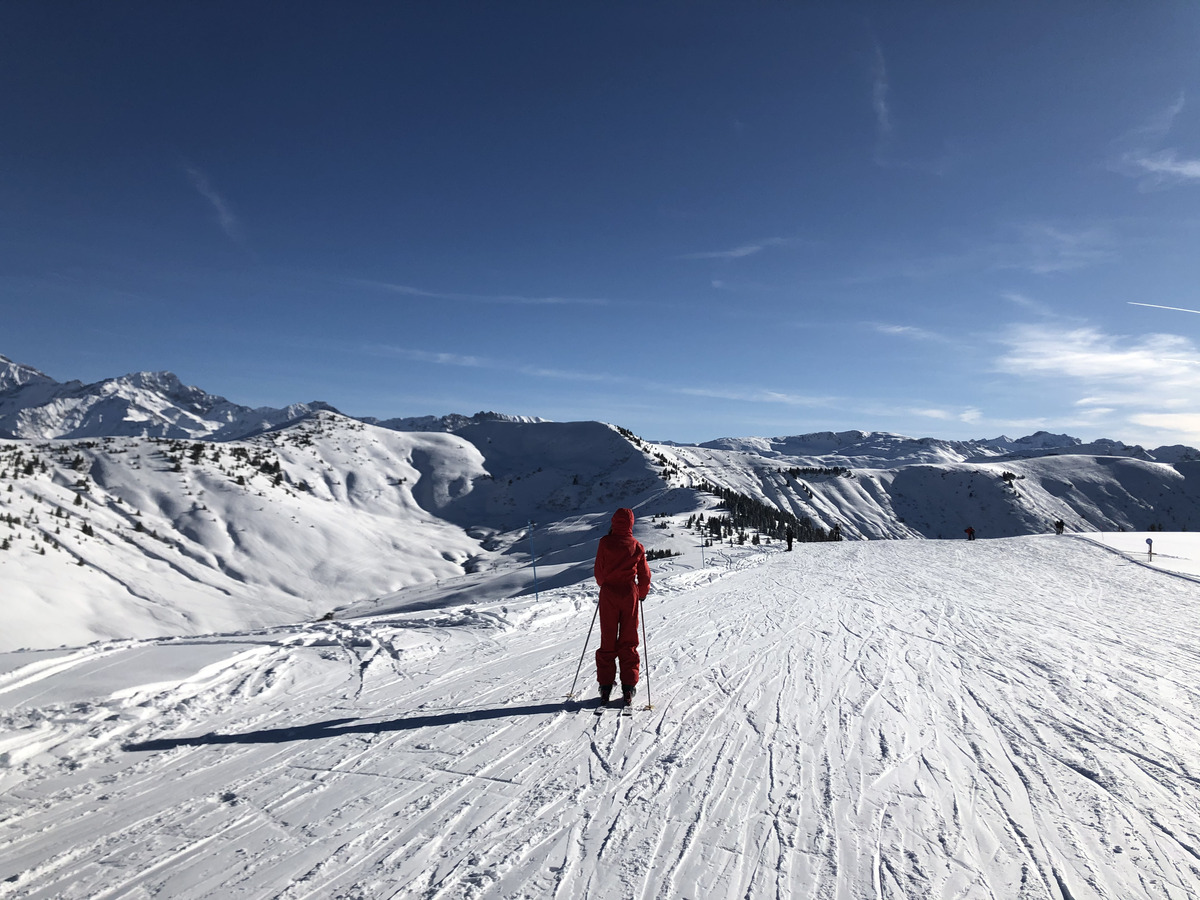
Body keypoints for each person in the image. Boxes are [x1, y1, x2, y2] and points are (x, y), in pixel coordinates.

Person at [593, 508, 651, 707]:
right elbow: (644, 574)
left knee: (608, 638)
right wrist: (642, 593)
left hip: (609, 593)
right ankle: (628, 686)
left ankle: (605, 686)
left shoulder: (604, 543)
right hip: (629, 594)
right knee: (628, 639)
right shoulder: (636, 545)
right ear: (631, 523)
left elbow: (599, 571)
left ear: (613, 522)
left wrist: (605, 585)